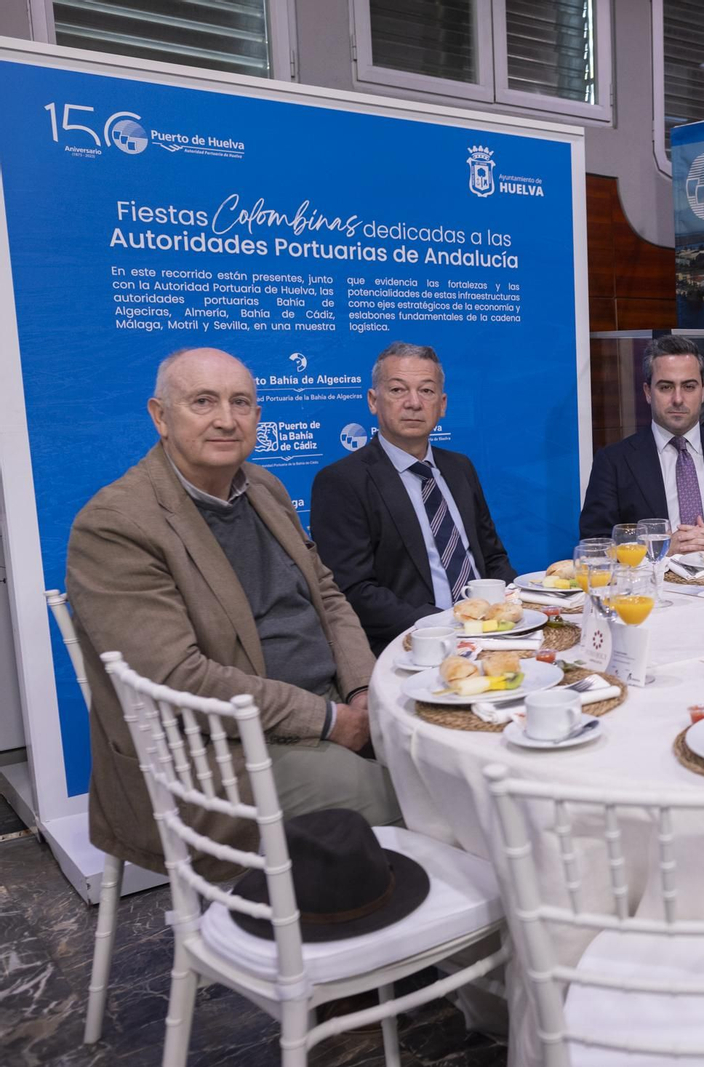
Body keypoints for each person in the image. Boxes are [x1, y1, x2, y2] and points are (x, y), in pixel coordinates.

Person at [66, 348, 400, 879]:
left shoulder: (263, 487)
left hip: (329, 705)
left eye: (241, 402)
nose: (226, 418)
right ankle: (400, 949)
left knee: (442, 769)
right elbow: (179, 679)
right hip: (215, 751)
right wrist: (332, 721)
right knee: (395, 800)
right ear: (160, 416)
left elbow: (329, 596)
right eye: (203, 401)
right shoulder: (116, 525)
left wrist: (361, 690)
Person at [312, 342, 517, 650]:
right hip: (413, 643)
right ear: (373, 400)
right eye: (397, 390)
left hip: (491, 631)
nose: (413, 403)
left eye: (426, 391)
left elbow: (492, 556)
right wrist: (447, 624)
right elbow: (353, 590)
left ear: (443, 404)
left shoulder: (460, 467)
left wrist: (513, 604)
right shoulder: (342, 481)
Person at [579, 335, 704, 553]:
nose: (678, 399)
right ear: (647, 392)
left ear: (703, 392)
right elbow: (593, 544)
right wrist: (661, 549)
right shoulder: (614, 462)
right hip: (653, 584)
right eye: (666, 387)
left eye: (689, 386)